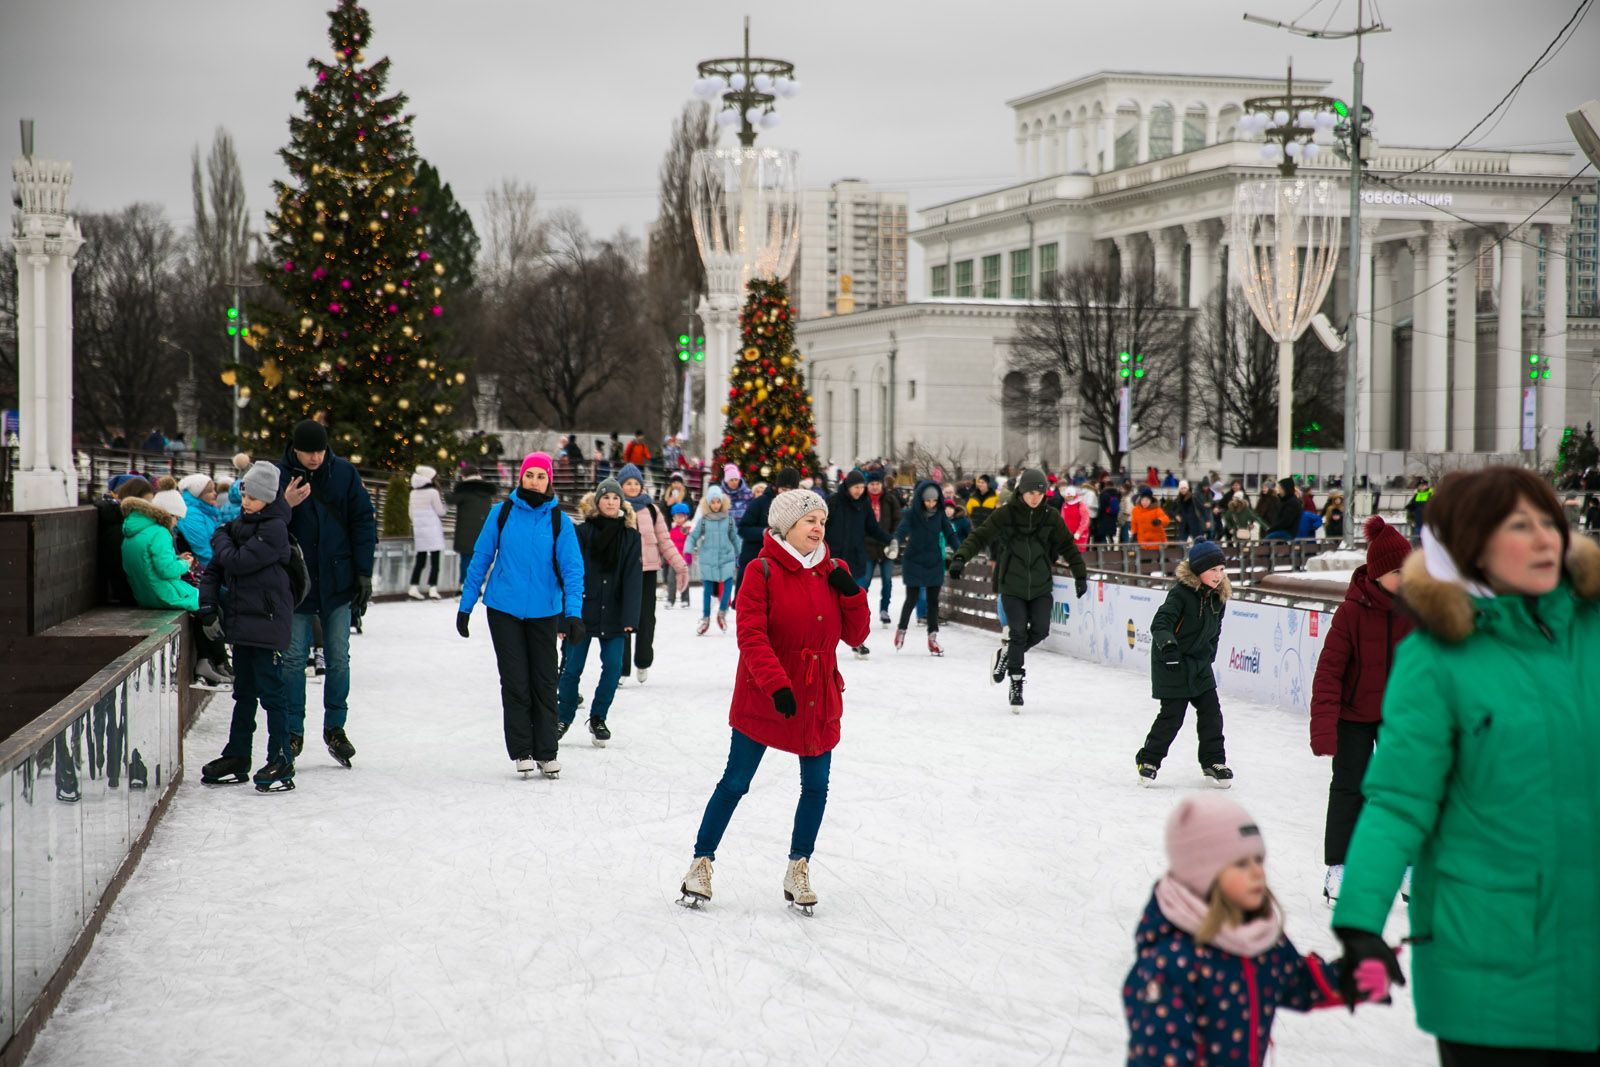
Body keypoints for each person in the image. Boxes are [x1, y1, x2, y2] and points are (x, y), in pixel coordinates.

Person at [1332, 468, 1600, 1063]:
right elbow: (1399, 801)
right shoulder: (1438, 659)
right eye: (1518, 526)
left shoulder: (1592, 630)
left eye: (1549, 522)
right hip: (1489, 964)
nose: (1544, 538)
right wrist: (1359, 924)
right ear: (1472, 546)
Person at [677, 489, 872, 914]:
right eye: (809, 521)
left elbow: (856, 636)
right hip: (768, 693)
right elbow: (750, 634)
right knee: (735, 782)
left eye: (822, 520)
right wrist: (776, 683)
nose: (819, 528)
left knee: (816, 787)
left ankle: (798, 866)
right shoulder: (760, 571)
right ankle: (700, 863)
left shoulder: (834, 570)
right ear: (786, 527)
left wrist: (852, 593)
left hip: (818, 695)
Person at [1123, 795, 1383, 1066]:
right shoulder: (1169, 965)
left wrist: (1359, 975)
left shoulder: (1261, 944)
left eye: (1258, 860)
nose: (1258, 872)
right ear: (1203, 874)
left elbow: (1300, 982)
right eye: (1241, 864)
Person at [456, 452, 585, 779]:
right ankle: (522, 751)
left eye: (541, 476)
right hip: (504, 610)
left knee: (544, 680)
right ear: (521, 477)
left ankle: (546, 751)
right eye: (530, 475)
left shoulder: (560, 521)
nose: (535, 481)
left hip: (545, 611)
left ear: (549, 481)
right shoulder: (501, 514)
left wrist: (574, 614)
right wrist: (466, 605)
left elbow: (572, 570)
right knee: (515, 681)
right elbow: (481, 559)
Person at [1308, 516, 1413, 906]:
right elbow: (1329, 671)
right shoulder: (1351, 613)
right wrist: (1323, 727)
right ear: (1379, 572)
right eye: (1399, 571)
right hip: (1353, 716)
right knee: (1350, 790)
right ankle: (1339, 868)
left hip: (1398, 717)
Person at [276, 419, 376, 767]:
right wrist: (285, 503)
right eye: (308, 452)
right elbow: (264, 525)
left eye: (320, 450)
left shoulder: (344, 473)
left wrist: (363, 572)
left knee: (338, 658)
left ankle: (335, 727)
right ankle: (291, 730)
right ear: (295, 449)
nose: (315, 457)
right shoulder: (279, 476)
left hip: (338, 580)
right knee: (292, 660)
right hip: (297, 584)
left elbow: (364, 520)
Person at [946, 468, 1088, 709]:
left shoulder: (1050, 516)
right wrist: (961, 558)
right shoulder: (1005, 515)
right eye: (1031, 492)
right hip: (1011, 583)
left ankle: (1007, 655)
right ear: (1021, 491)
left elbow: (1068, 545)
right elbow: (979, 536)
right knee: (1019, 632)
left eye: (1040, 493)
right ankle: (1016, 682)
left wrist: (1080, 574)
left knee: (1041, 630)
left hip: (1041, 584)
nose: (1035, 497)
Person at [197, 462, 298, 793]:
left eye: (253, 495)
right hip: (242, 622)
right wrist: (208, 606)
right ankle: (238, 754)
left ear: (268, 498)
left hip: (267, 623)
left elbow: (238, 562)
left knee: (272, 694)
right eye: (244, 492)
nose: (246, 498)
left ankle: (281, 757)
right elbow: (215, 569)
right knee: (243, 694)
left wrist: (221, 538)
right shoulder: (240, 524)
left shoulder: (274, 528)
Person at [118, 476, 232, 687]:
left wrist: (177, 560)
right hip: (162, 593)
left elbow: (152, 564)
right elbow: (166, 570)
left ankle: (209, 661)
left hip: (146, 593)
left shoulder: (134, 530)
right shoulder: (160, 532)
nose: (178, 523)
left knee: (204, 607)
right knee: (209, 605)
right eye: (177, 518)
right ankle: (219, 662)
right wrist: (185, 565)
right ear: (167, 514)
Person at [1135, 540, 1232, 787]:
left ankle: (1213, 761)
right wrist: (1168, 646)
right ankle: (1149, 760)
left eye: (1221, 569)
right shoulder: (1180, 594)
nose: (1218, 576)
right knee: (1172, 717)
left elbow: (1215, 632)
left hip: (1199, 664)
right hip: (1173, 663)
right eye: (1213, 570)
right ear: (1198, 571)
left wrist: (1209, 655)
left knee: (1211, 713)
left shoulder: (1218, 597)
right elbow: (1160, 623)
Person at [556, 479, 640, 747]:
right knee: (571, 669)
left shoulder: (630, 537)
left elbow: (633, 579)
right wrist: (563, 617)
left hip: (615, 614)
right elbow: (567, 573)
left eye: (616, 498)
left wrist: (630, 618)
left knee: (614, 668)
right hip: (581, 612)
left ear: (621, 503)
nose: (611, 502)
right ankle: (564, 716)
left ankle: (598, 718)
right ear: (597, 501)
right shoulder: (581, 533)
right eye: (606, 498)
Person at [615, 463, 689, 682]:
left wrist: (679, 565)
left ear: (642, 486)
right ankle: (622, 667)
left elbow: (665, 542)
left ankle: (643, 660)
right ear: (620, 486)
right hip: (622, 572)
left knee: (646, 619)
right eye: (628, 483)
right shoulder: (614, 507)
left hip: (648, 571)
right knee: (622, 618)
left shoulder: (651, 510)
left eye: (636, 483)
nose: (632, 487)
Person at [824, 470, 894, 660]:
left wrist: (889, 539)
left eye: (862, 487)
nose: (859, 491)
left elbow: (872, 528)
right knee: (828, 603)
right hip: (833, 561)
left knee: (856, 602)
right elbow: (822, 526)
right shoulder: (834, 502)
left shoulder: (864, 505)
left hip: (856, 560)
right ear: (847, 486)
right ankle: (823, 641)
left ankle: (858, 642)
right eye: (856, 487)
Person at [892, 480, 958, 655]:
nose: (931, 504)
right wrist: (895, 542)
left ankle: (932, 638)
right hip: (913, 560)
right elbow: (901, 530)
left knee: (933, 601)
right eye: (927, 501)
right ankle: (901, 630)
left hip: (934, 560)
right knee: (912, 598)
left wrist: (961, 551)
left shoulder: (940, 514)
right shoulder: (913, 514)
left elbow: (950, 534)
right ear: (921, 500)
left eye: (934, 501)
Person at [736, 467, 800, 593]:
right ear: (777, 488)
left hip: (784, 564)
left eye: (791, 490)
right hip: (756, 558)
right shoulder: (760, 503)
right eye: (783, 489)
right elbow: (743, 529)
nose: (786, 493)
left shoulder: (799, 507)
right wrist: (763, 533)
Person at [689, 484, 741, 634]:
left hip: (726, 557)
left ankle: (722, 613)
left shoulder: (728, 520)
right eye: (713, 502)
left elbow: (734, 537)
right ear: (708, 503)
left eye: (718, 502)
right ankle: (705, 617)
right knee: (707, 590)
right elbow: (695, 534)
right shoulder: (704, 520)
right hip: (709, 558)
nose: (716, 505)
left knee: (728, 585)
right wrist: (690, 547)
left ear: (722, 502)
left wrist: (739, 552)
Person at [863, 470, 905, 626]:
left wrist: (893, 538)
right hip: (868, 547)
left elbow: (897, 520)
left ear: (882, 484)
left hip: (886, 547)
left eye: (877, 484)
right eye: (872, 484)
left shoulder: (890, 499)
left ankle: (884, 610)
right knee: (865, 581)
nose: (875, 487)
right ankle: (862, 611)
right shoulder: (863, 500)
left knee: (887, 581)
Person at [446, 464, 498, 579]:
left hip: (465, 533)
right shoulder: (486, 490)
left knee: (466, 560)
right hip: (483, 530)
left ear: (464, 476)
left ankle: (464, 586)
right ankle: (480, 585)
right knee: (481, 560)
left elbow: (450, 499)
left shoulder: (464, 490)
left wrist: (447, 491)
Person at [407, 465, 447, 600]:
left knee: (420, 560)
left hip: (419, 530)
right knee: (435, 561)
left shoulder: (413, 493)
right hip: (432, 529)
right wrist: (447, 505)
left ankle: (414, 586)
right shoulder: (433, 492)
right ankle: (433, 588)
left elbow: (411, 514)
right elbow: (440, 511)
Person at [666, 502, 692, 609]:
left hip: (683, 559)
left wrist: (688, 556)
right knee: (671, 579)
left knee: (684, 579)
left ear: (686, 517)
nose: (678, 519)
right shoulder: (672, 530)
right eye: (676, 517)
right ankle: (670, 599)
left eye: (680, 516)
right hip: (673, 560)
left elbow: (691, 541)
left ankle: (685, 599)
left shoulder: (688, 529)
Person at [1060, 484, 1090, 549]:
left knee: (1079, 552)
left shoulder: (1080, 505)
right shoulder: (1065, 505)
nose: (1068, 498)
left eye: (1070, 496)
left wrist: (1079, 532)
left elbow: (1085, 520)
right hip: (1069, 534)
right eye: (1067, 497)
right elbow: (1062, 519)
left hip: (1080, 535)